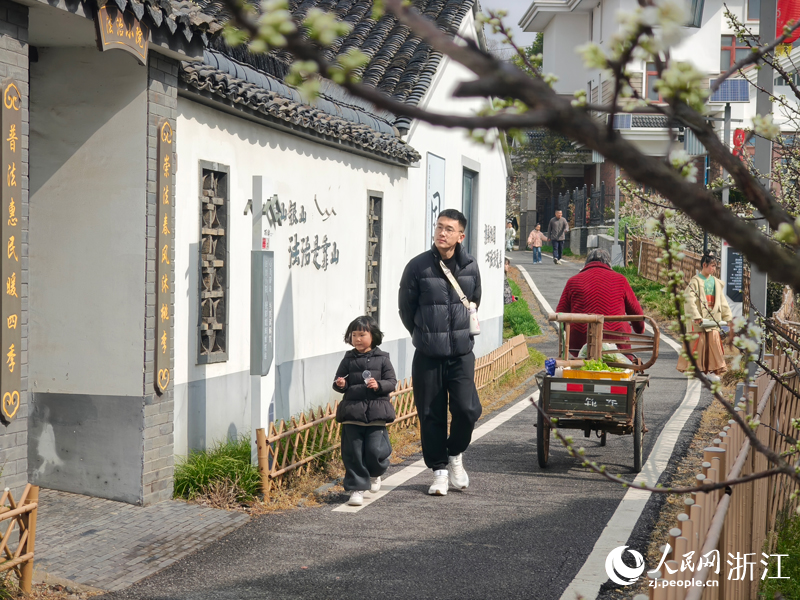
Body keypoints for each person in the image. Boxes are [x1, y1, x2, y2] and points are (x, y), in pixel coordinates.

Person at [399, 208, 483, 496]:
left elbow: (474, 301)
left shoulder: (470, 266)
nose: (442, 233)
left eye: (449, 229)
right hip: (427, 355)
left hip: (461, 353)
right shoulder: (417, 267)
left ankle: (455, 454)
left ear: (460, 236)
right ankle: (439, 471)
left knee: (468, 409)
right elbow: (406, 309)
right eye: (439, 227)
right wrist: (423, 334)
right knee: (430, 414)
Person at [333, 316, 398, 507]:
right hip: (352, 413)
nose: (357, 339)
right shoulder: (348, 358)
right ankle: (357, 489)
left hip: (377, 413)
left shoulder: (383, 358)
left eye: (362, 334)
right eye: (354, 335)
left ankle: (375, 472)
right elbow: (339, 382)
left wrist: (378, 385)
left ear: (374, 336)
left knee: (374, 450)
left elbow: (392, 382)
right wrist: (341, 384)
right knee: (352, 452)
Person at [555, 248, 645, 355]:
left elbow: (560, 313)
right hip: (617, 345)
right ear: (609, 264)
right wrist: (640, 328)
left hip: (580, 347)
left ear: (586, 263)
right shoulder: (621, 280)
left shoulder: (573, 281)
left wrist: (574, 329)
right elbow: (637, 314)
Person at [677, 252, 733, 382]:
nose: (714, 269)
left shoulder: (716, 282)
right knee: (699, 344)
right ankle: (698, 370)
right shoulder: (695, 281)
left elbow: (722, 301)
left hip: (713, 317)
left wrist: (728, 317)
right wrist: (695, 315)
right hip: (700, 319)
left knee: (714, 344)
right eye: (712, 266)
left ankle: (712, 371)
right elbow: (689, 300)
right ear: (704, 265)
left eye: (715, 266)